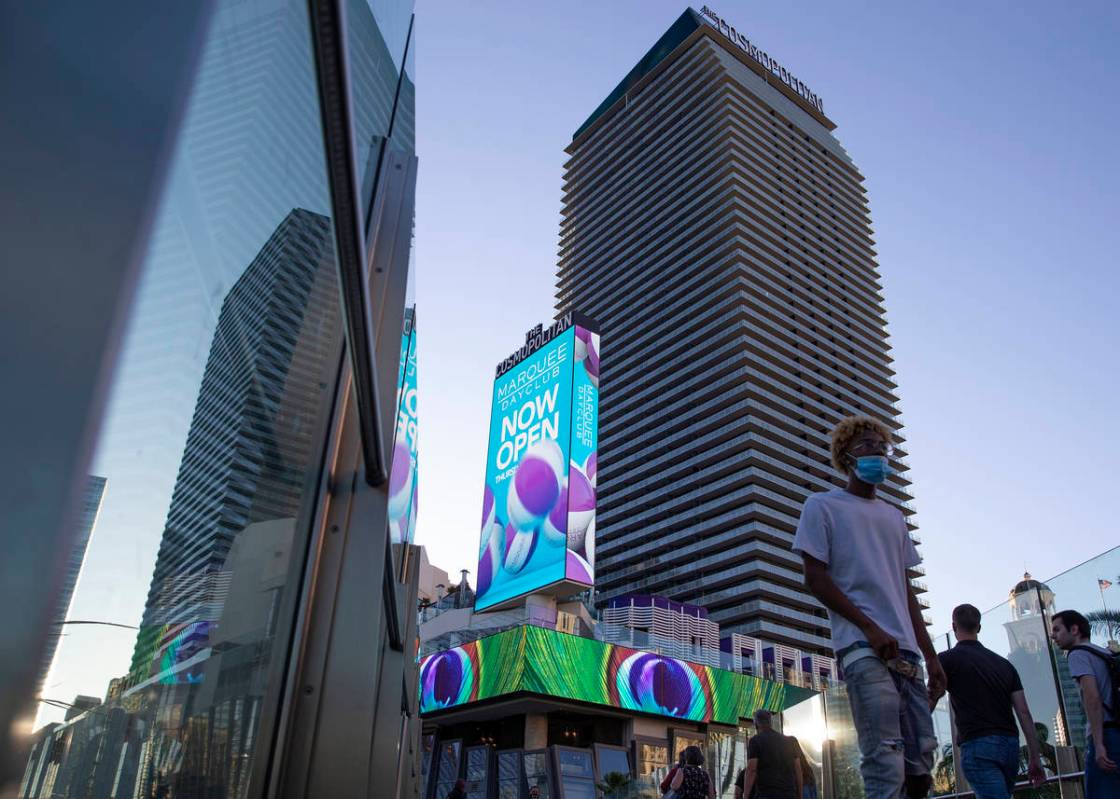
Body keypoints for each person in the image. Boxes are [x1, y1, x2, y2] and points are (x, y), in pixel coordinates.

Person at [792, 415, 944, 799]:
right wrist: (869, 628)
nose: (878, 452)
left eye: (883, 446)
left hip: (908, 654)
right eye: (867, 446)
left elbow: (905, 591)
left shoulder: (895, 517)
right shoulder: (822, 506)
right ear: (846, 456)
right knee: (884, 757)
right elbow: (815, 577)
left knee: (921, 760)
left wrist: (932, 656)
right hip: (863, 649)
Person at [938, 603, 1046, 798]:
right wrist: (1034, 756)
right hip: (1009, 745)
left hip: (977, 745)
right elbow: (1023, 712)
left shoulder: (947, 660)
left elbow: (930, 696)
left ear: (954, 627)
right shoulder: (1005, 665)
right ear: (979, 628)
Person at [1050, 609, 1120, 797]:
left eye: (1057, 630)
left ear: (1074, 630)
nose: (1053, 636)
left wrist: (1098, 744)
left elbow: (1092, 697)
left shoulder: (1077, 654)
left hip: (1106, 733)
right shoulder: (1105, 653)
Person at [737, 709, 799, 799]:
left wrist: (746, 796)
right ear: (770, 723)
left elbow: (751, 770)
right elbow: (798, 769)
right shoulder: (789, 741)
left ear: (756, 724)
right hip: (789, 793)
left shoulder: (756, 741)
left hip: (767, 793)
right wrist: (799, 795)